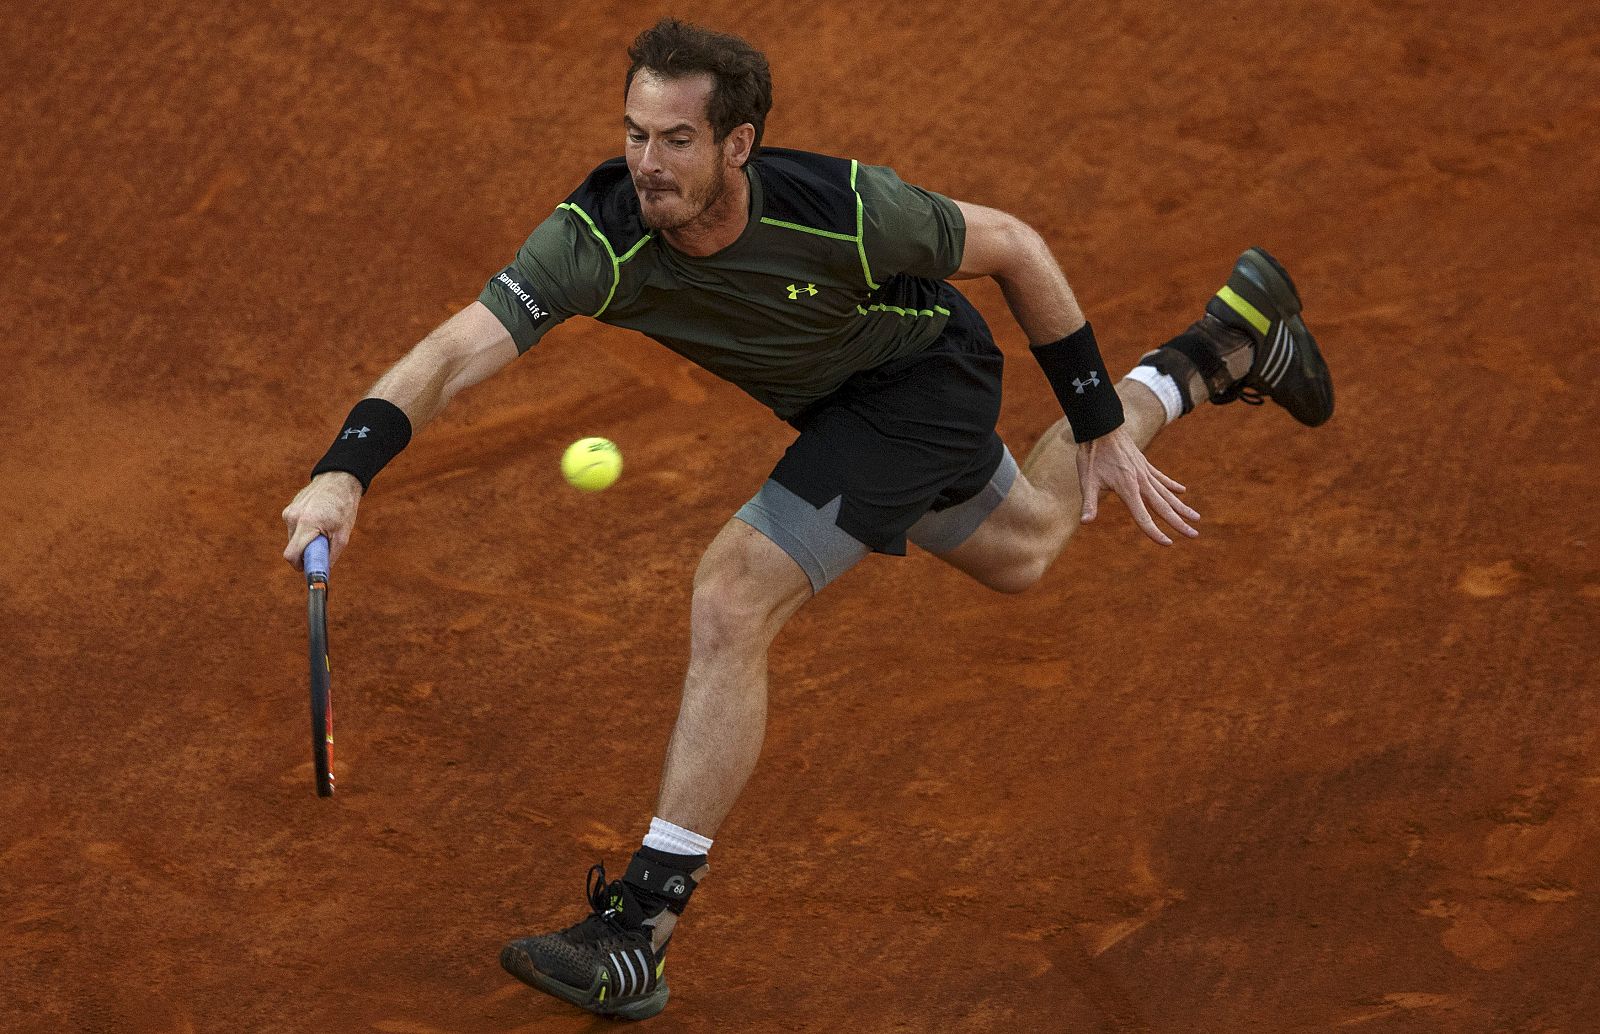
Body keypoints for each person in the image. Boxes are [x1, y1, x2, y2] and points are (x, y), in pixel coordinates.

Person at [280, 17, 1332, 1022]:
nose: (648, 163)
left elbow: (1015, 245)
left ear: (737, 143)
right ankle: (1224, 348)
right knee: (1025, 546)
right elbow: (454, 350)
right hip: (837, 401)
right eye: (635, 135)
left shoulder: (844, 208)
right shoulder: (595, 236)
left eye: (677, 140)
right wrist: (344, 471)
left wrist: (1096, 415)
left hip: (922, 379)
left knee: (735, 590)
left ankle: (640, 925)